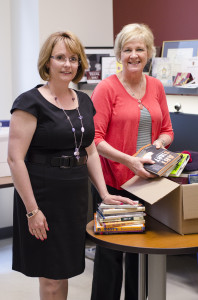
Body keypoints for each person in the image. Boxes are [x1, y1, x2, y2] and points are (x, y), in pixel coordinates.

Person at [7, 31, 137, 300]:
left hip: (73, 198)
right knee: (51, 277)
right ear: (47, 62)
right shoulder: (30, 103)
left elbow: (90, 151)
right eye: (60, 58)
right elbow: (15, 159)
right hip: (42, 197)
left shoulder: (84, 101)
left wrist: (103, 194)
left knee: (64, 271)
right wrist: (32, 211)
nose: (68, 64)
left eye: (74, 58)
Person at [90, 23, 174, 300]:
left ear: (149, 53)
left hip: (147, 182)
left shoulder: (157, 86)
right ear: (119, 54)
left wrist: (156, 147)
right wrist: (130, 160)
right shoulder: (106, 89)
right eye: (127, 49)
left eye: (140, 49)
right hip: (114, 183)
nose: (134, 55)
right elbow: (96, 140)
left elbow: (167, 131)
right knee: (112, 255)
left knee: (142, 254)